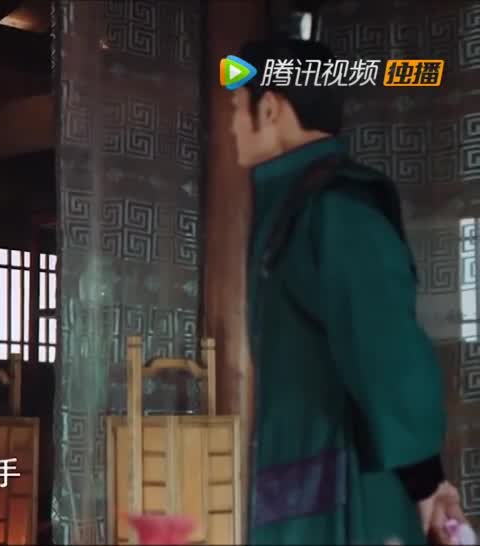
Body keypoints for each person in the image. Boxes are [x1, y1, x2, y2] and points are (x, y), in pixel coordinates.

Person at [231, 37, 467, 544]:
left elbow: (384, 348)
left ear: (269, 108)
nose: (231, 127)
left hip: (347, 500)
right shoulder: (292, 205)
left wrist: (425, 481)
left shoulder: (338, 209)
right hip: (299, 490)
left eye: (236, 108)